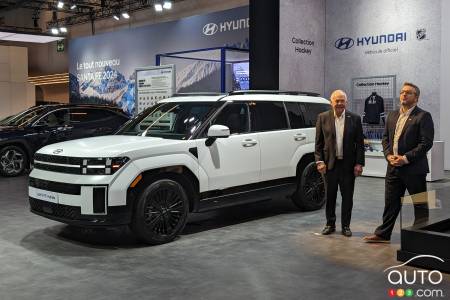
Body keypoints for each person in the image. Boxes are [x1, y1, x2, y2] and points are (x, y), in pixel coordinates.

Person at [363, 82, 434, 243]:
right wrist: (389, 156)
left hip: (414, 168)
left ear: (416, 98)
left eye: (408, 93)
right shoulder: (392, 115)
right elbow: (386, 139)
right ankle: (383, 234)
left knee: (419, 203)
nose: (403, 95)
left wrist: (405, 158)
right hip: (393, 167)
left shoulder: (423, 116)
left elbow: (425, 143)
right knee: (391, 203)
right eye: (402, 92)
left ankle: (422, 236)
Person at [315, 90, 365, 237]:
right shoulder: (322, 118)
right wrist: (319, 162)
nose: (340, 103)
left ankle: (346, 226)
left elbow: (360, 144)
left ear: (346, 102)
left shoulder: (355, 119)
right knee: (330, 197)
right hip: (329, 166)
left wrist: (359, 164)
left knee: (347, 197)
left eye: (342, 101)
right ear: (331, 102)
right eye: (337, 101)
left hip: (348, 166)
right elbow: (318, 143)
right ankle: (330, 224)